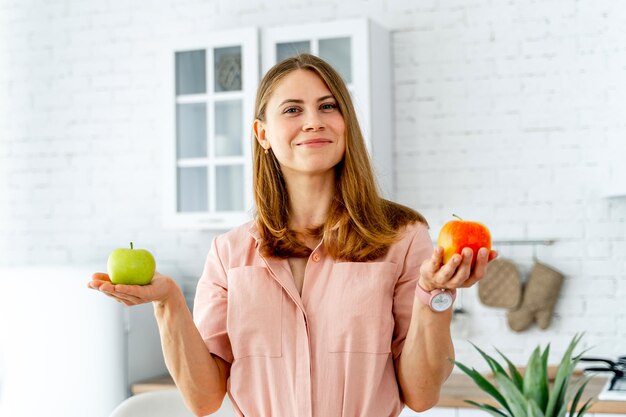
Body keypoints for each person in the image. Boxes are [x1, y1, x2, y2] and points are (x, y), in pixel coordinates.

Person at [88, 53, 497, 417]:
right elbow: (204, 399)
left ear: (345, 124)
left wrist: (434, 298)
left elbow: (421, 395)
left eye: (327, 106)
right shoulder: (229, 253)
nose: (313, 121)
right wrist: (168, 304)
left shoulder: (403, 239)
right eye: (292, 109)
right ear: (263, 134)